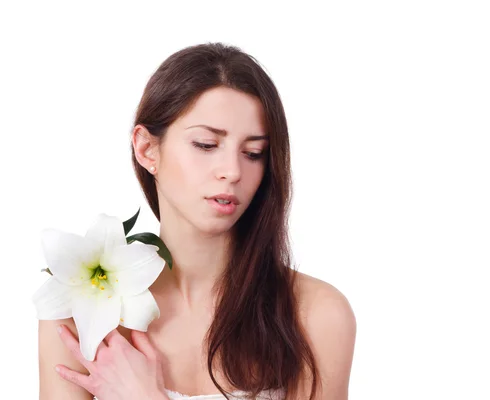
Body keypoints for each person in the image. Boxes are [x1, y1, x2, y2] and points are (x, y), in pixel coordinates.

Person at [38, 42, 356, 399]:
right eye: (206, 145)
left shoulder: (316, 314)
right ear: (146, 150)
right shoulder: (77, 312)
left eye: (253, 153)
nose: (232, 171)